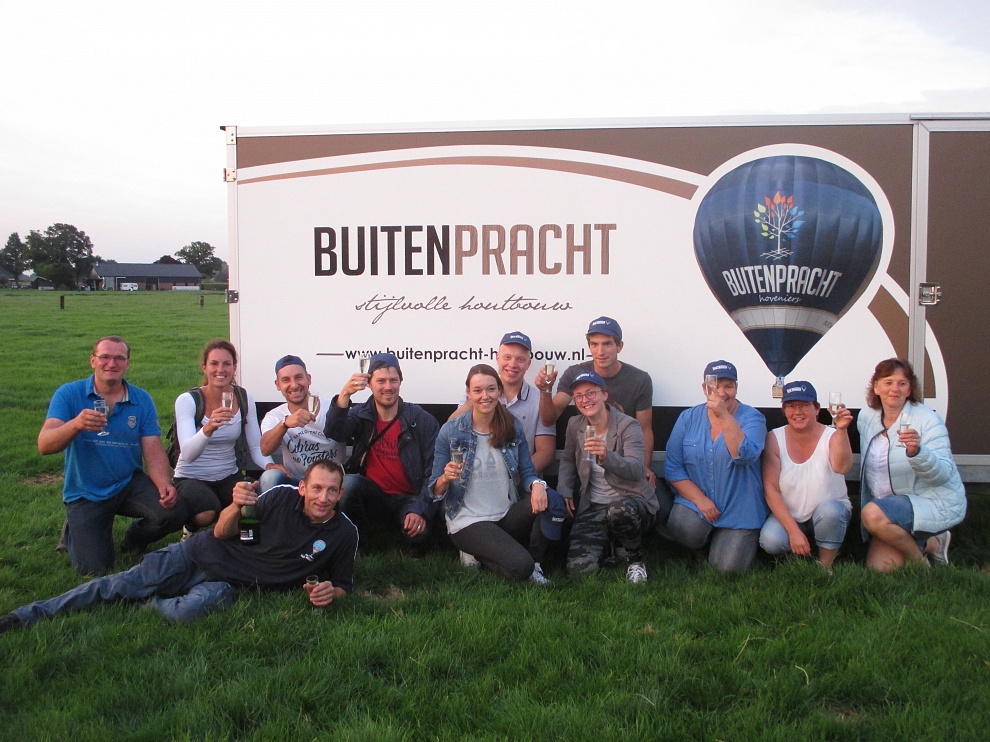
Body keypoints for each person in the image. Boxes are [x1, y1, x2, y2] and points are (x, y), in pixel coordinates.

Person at [0, 461, 357, 633]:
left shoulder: (343, 533)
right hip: (198, 554)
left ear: (340, 493)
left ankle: (147, 601)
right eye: (316, 488)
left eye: (331, 491)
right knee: (113, 586)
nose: (323, 498)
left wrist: (329, 592)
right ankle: (24, 616)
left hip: (227, 583)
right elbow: (226, 533)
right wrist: (236, 506)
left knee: (189, 612)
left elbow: (343, 585)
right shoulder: (278, 498)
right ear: (302, 488)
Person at [38, 335, 187, 575]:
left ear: (127, 363)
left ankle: (134, 539)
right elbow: (44, 445)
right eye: (104, 357)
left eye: (119, 358)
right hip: (86, 490)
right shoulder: (70, 394)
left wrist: (163, 484)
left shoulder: (141, 399)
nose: (111, 363)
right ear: (93, 361)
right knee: (95, 569)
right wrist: (75, 425)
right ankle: (75, 527)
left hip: (127, 482)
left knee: (175, 512)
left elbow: (153, 450)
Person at [429, 364, 557, 582]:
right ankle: (477, 551)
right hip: (467, 520)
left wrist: (537, 485)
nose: (485, 396)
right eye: (477, 390)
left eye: (491, 389)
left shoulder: (512, 426)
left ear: (499, 391)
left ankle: (535, 563)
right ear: (468, 393)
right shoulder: (451, 431)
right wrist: (445, 478)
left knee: (549, 499)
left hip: (505, 514)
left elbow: (528, 472)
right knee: (520, 567)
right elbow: (434, 490)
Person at [325, 352, 439, 557]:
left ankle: (410, 534)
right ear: (369, 384)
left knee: (418, 537)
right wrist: (344, 396)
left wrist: (419, 509)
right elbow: (335, 432)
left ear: (400, 381)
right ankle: (357, 542)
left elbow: (434, 472)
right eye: (381, 381)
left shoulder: (421, 420)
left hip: (409, 498)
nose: (388, 387)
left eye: (393, 380)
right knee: (349, 483)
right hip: (374, 496)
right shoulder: (362, 414)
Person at [857, 358, 966, 571]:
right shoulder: (867, 417)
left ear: (909, 390)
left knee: (871, 514)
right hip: (888, 507)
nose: (894, 389)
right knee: (881, 568)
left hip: (932, 501)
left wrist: (917, 453)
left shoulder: (928, 420)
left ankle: (920, 564)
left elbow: (943, 474)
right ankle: (934, 542)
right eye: (888, 382)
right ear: (876, 387)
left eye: (902, 383)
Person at [663, 360, 768, 573]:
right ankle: (702, 545)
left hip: (739, 510)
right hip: (699, 504)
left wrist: (724, 416)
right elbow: (673, 467)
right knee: (681, 526)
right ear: (705, 388)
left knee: (727, 571)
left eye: (728, 386)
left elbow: (744, 457)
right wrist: (700, 500)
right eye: (715, 386)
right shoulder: (688, 418)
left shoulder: (753, 418)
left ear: (736, 388)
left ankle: (727, 543)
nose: (722, 392)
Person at [557, 371, 659, 583]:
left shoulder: (628, 425)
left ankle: (636, 561)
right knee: (579, 572)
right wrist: (564, 491)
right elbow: (567, 460)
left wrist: (606, 456)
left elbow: (636, 469)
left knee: (618, 510)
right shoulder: (575, 424)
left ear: (604, 394)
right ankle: (610, 545)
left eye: (591, 393)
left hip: (630, 500)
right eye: (579, 396)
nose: (585, 400)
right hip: (594, 504)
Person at [172, 339, 282, 529]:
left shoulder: (244, 397)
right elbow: (188, 454)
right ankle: (189, 529)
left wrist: (269, 465)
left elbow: (255, 446)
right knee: (207, 512)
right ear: (204, 367)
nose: (220, 370)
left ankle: (226, 538)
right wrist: (208, 428)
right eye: (214, 364)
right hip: (191, 476)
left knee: (250, 507)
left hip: (227, 474)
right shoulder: (188, 400)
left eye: (226, 364)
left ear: (234, 368)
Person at [537, 316, 657, 486]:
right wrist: (545, 390)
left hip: (625, 460)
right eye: (594, 344)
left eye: (607, 344)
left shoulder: (639, 379)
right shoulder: (574, 374)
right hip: (588, 465)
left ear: (619, 346)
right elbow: (549, 419)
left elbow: (645, 429)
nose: (600, 351)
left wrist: (644, 468)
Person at [759, 380, 853, 570]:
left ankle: (825, 566)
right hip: (791, 514)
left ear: (817, 409)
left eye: (804, 405)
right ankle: (801, 548)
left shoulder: (832, 435)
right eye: (791, 406)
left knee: (832, 512)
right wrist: (793, 532)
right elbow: (771, 489)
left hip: (827, 511)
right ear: (784, 410)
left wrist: (842, 430)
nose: (798, 412)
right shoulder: (774, 438)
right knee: (771, 540)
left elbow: (842, 468)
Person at [450, 332, 556, 476]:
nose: (512, 364)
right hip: (477, 478)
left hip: (521, 482)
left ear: (528, 363)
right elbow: (451, 430)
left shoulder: (540, 399)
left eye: (520, 359)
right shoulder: (476, 395)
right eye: (507, 357)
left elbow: (545, 452)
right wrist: (476, 398)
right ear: (497, 358)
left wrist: (514, 479)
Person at [258, 354, 346, 492]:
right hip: (296, 482)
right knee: (269, 477)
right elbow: (265, 449)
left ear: (308, 379)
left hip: (331, 482)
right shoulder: (275, 416)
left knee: (351, 483)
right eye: (286, 380)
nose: (294, 385)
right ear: (278, 385)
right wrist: (285, 424)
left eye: (299, 377)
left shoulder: (333, 408)